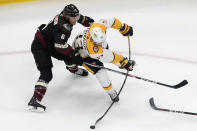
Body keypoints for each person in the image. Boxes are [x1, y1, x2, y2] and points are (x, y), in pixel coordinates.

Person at [27, 4, 94, 112]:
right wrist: (73, 54)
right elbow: (60, 46)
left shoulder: (68, 16)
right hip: (40, 46)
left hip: (51, 42)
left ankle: (74, 70)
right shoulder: (62, 27)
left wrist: (94, 25)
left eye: (76, 17)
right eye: (74, 18)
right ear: (67, 17)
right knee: (47, 74)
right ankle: (34, 100)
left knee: (69, 55)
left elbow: (82, 19)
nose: (76, 20)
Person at [72, 17, 135, 102]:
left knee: (105, 47)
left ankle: (120, 65)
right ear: (94, 41)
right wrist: (123, 61)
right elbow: (110, 57)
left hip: (82, 41)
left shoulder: (98, 25)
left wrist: (123, 27)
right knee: (100, 71)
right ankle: (111, 92)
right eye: (98, 43)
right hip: (82, 54)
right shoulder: (93, 51)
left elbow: (112, 21)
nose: (100, 43)